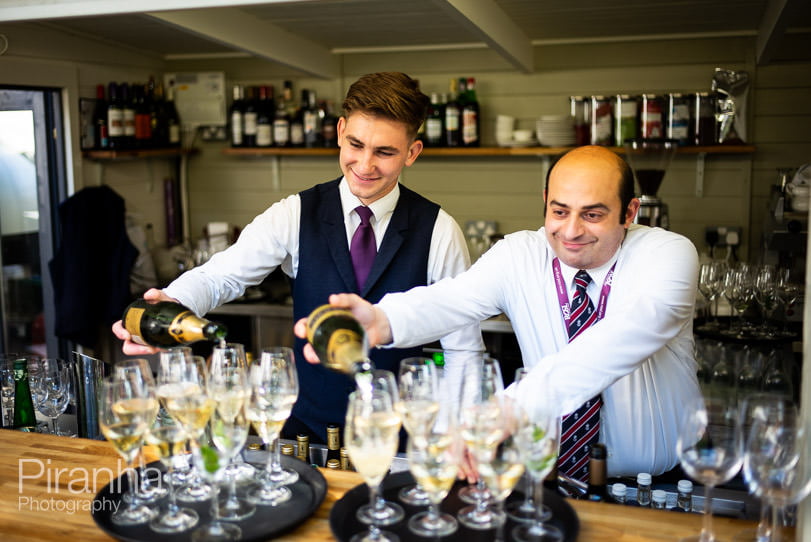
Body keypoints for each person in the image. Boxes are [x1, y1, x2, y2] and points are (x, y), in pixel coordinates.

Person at [112, 72, 483, 444]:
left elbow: (463, 350)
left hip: (402, 438)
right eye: (355, 144)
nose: (365, 164)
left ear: (412, 153)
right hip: (306, 435)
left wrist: (448, 437)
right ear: (340, 132)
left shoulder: (439, 230)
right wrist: (175, 301)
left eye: (384, 152)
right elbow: (221, 276)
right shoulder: (294, 213)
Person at [295, 145, 702, 478]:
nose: (572, 230)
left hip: (660, 488)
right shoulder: (519, 254)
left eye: (592, 214)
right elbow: (451, 298)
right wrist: (382, 320)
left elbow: (621, 337)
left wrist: (507, 411)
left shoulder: (666, 255)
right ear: (544, 202)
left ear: (629, 212)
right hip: (547, 476)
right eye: (559, 211)